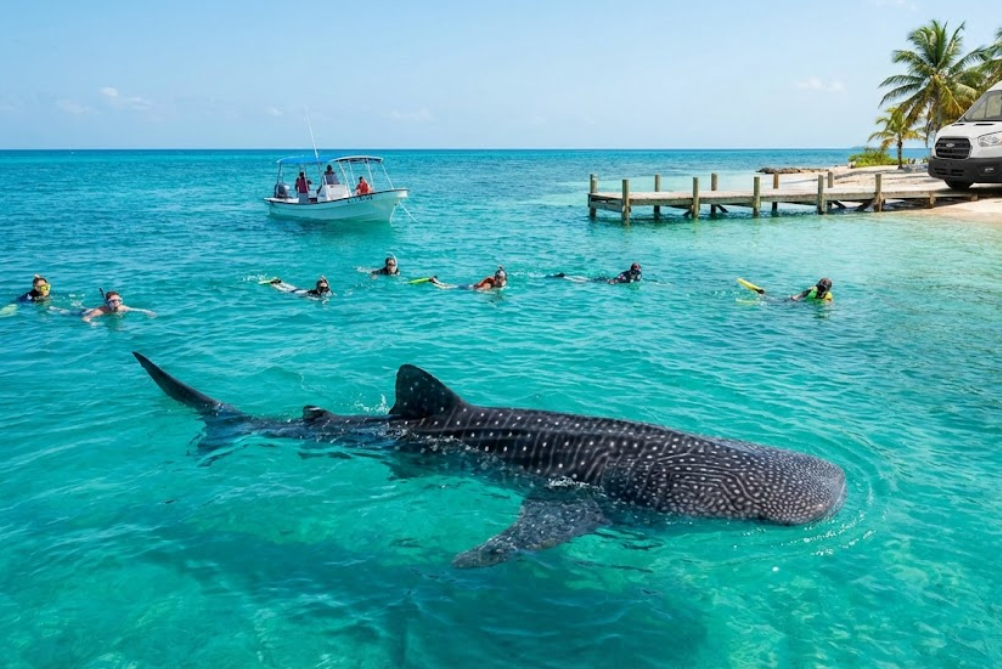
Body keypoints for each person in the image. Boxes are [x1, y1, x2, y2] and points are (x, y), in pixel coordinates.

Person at [82, 291, 156, 323]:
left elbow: (136, 310)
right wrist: (92, 323)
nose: (116, 303)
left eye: (119, 300)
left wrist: (148, 312)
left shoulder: (122, 307)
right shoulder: (100, 311)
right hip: (84, 312)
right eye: (113, 301)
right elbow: (85, 318)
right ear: (107, 302)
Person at [549, 262, 642, 284]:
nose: (639, 270)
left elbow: (619, 278)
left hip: (606, 279)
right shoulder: (632, 274)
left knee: (587, 279)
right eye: (638, 268)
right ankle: (565, 277)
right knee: (585, 281)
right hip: (607, 281)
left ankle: (566, 276)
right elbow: (618, 280)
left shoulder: (626, 272)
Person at [428, 266, 507, 291]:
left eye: (502, 278)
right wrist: (484, 290)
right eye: (499, 278)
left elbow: (504, 278)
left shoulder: (503, 282)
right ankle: (434, 281)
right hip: (470, 287)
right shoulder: (489, 280)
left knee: (451, 286)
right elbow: (479, 286)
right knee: (448, 287)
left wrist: (502, 269)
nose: (501, 280)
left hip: (472, 287)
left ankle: (436, 281)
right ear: (496, 278)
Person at [267, 275, 333, 298]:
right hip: (299, 292)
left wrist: (325, 279)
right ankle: (272, 284)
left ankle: (279, 282)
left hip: (301, 290)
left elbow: (327, 285)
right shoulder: (320, 292)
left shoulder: (325, 289)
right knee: (284, 290)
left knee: (290, 287)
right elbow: (309, 298)